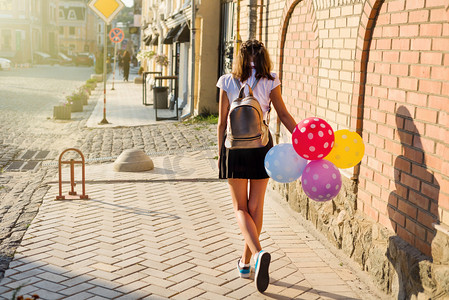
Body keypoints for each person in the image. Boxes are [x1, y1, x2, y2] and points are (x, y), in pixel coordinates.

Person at [216, 39, 297, 293]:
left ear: (239, 58)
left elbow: (221, 123)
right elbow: (283, 115)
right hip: (262, 147)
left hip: (235, 149)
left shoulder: (227, 81)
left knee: (240, 208)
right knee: (255, 206)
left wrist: (220, 154)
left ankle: (256, 255)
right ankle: (247, 261)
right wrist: (302, 141)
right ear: (263, 57)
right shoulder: (270, 79)